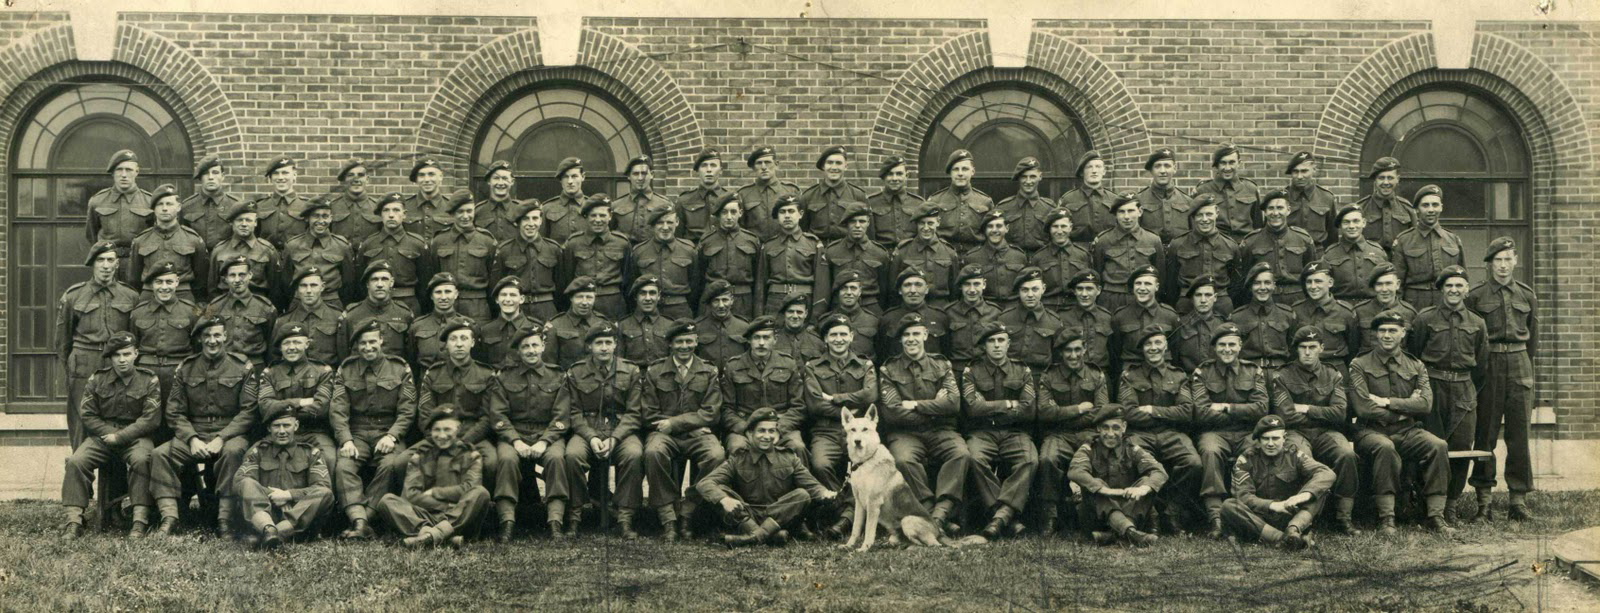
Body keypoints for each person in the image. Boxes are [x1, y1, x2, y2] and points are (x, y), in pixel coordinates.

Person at [150, 317, 258, 536]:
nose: (212, 340)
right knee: (160, 454)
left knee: (233, 452)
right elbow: (174, 411)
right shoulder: (186, 368)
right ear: (200, 338)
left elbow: (248, 411)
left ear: (226, 336)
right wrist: (191, 439)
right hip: (195, 432)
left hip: (229, 432)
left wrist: (222, 438)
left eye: (217, 335)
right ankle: (169, 518)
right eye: (207, 336)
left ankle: (224, 520)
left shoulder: (242, 366)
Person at [1351, 311, 1454, 534]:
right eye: (1382, 331)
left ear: (1403, 334)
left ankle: (1435, 516)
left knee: (1438, 446)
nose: (1387, 335)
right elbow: (1363, 407)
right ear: (1375, 335)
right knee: (1385, 447)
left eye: (1392, 330)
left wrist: (1388, 402)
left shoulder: (1416, 365)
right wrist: (1406, 408)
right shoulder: (1359, 364)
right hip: (1371, 431)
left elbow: (1425, 404)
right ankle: (1387, 518)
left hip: (1408, 431)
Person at [628, 321, 725, 541]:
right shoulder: (655, 371)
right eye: (679, 342)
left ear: (696, 342)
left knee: (716, 455)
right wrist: (685, 427)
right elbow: (649, 414)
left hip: (696, 434)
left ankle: (689, 510)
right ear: (670, 344)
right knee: (653, 452)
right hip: (665, 433)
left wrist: (677, 424)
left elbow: (711, 412)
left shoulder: (708, 371)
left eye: (689, 341)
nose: (684, 346)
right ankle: (668, 517)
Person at [1409, 266, 1489, 522]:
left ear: (1466, 290)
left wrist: (1466, 389)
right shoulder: (1425, 318)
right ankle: (1430, 505)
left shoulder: (1477, 323)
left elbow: (1482, 365)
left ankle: (1451, 505)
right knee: (1432, 446)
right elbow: (1414, 353)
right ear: (1442, 290)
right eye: (1449, 286)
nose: (1454, 290)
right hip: (1432, 386)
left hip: (1464, 390)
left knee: (1462, 446)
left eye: (1459, 286)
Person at [878, 313, 971, 532]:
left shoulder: (941, 365)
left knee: (961, 454)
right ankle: (930, 511)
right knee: (903, 459)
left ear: (925, 335)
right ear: (900, 339)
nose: (911, 339)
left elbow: (953, 404)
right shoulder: (888, 369)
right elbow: (892, 412)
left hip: (941, 431)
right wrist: (934, 406)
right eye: (906, 335)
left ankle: (940, 513)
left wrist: (913, 404)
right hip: (905, 433)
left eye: (916, 334)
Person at [61, 333, 160, 538]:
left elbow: (150, 419)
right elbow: (88, 414)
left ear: (136, 354)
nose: (122, 360)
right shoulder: (97, 379)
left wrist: (121, 436)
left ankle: (139, 521)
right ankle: (74, 520)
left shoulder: (149, 379)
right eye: (117, 355)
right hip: (103, 437)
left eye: (126, 354)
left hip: (136, 437)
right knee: (75, 462)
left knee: (143, 460)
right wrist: (110, 434)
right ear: (110, 358)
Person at [1466, 237, 1537, 521]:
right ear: (1490, 264)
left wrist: (1525, 370)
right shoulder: (1476, 296)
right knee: (1485, 434)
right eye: (1498, 260)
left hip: (1519, 363)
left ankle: (1518, 501)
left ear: (1515, 261)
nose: (1504, 265)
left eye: (1508, 259)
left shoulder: (1527, 295)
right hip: (1489, 363)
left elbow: (1533, 340)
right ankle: (1484, 502)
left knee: (1519, 435)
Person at [789, 314, 878, 538]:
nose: (839, 339)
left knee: (866, 466)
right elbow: (815, 405)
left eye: (843, 334)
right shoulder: (813, 367)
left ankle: (846, 518)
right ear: (825, 339)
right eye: (833, 335)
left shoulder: (864, 364)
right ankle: (846, 512)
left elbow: (871, 394)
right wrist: (848, 411)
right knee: (820, 464)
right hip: (826, 431)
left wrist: (836, 398)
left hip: (859, 432)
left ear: (851, 336)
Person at [696, 408, 836, 547]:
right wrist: (724, 499)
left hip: (780, 514)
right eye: (761, 431)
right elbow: (705, 483)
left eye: (771, 431)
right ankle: (772, 535)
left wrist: (825, 493)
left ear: (777, 434)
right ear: (750, 434)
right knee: (720, 490)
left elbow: (811, 484)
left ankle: (753, 538)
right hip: (748, 515)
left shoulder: (788, 457)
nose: (767, 436)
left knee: (802, 494)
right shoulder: (738, 458)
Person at [329, 321, 417, 539]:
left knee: (390, 464)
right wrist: (346, 440)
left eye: (372, 342)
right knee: (344, 466)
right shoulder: (346, 369)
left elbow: (407, 410)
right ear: (356, 346)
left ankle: (364, 521)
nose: (368, 347)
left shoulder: (399, 367)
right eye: (362, 343)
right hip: (357, 433)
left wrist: (392, 435)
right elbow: (338, 410)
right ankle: (359, 520)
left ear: (381, 341)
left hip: (388, 431)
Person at [554, 324, 643, 536]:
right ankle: (575, 516)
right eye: (599, 343)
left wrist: (615, 438)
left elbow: (634, 412)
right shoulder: (576, 372)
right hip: (587, 429)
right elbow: (574, 412)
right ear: (590, 346)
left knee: (634, 454)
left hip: (620, 430)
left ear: (615, 345)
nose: (604, 348)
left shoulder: (630, 370)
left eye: (608, 343)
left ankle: (624, 518)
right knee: (573, 455)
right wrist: (592, 437)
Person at [491, 328, 578, 541]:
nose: (531, 351)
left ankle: (555, 521)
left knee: (557, 458)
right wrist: (516, 441)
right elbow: (498, 415)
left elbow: (562, 416)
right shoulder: (504, 377)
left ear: (543, 346)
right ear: (518, 352)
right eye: (525, 347)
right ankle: (507, 521)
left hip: (547, 433)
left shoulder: (557, 376)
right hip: (514, 434)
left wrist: (544, 442)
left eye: (534, 345)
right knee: (507, 459)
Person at [1272, 327, 1361, 533]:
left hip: (1326, 432)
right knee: (1302, 459)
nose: (1307, 352)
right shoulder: (1283, 375)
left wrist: (1306, 408)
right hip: (1296, 432)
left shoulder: (1333, 374)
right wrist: (1323, 411)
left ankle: (1343, 517)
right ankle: (1303, 517)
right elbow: (1285, 415)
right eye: (1303, 347)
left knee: (1347, 454)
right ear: (1296, 350)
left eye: (1312, 347)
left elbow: (1340, 413)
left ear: (1322, 348)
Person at [1187, 322, 1270, 538]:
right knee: (1210, 452)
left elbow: (1261, 408)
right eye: (1222, 345)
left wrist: (1226, 407)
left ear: (1240, 346)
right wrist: (1244, 410)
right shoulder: (1202, 372)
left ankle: (1253, 511)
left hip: (1246, 432)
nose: (1227, 349)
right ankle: (1215, 518)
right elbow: (1201, 413)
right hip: (1214, 432)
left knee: (1258, 451)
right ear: (1214, 347)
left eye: (1232, 344)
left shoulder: (1253, 371)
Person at [57, 242, 141, 450]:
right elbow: (63, 342)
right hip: (85, 362)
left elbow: (135, 334)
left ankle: (112, 483)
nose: (105, 265)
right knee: (81, 420)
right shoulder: (74, 295)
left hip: (117, 363)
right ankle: (80, 475)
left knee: (116, 418)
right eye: (100, 260)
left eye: (110, 260)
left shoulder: (130, 296)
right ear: (92, 264)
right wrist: (71, 369)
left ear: (117, 264)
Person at [1119, 325, 1202, 534]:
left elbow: (1186, 412)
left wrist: (1152, 410)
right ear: (1142, 349)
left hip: (1172, 434)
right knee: (1133, 462)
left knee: (1193, 463)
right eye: (1148, 344)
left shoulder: (1179, 375)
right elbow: (1128, 413)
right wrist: (1167, 413)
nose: (1153, 348)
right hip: (1139, 434)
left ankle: (1172, 509)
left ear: (1166, 347)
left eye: (1158, 343)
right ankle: (1150, 512)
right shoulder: (1129, 376)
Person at [373, 407, 492, 549]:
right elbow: (411, 495)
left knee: (480, 493)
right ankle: (442, 538)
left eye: (447, 429)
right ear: (430, 432)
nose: (442, 435)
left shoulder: (471, 455)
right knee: (387, 501)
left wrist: (435, 493)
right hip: (425, 517)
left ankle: (427, 537)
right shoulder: (419, 456)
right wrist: (446, 503)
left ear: (459, 430)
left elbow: (469, 489)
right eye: (437, 430)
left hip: (459, 519)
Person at [962, 322, 1039, 539]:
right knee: (974, 459)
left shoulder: (1022, 370)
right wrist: (1008, 404)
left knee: (1030, 460)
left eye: (1001, 340)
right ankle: (1008, 518)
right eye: (991, 341)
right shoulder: (972, 371)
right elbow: (973, 409)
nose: (996, 345)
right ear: (984, 346)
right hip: (982, 432)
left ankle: (999, 517)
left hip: (1015, 432)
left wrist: (988, 406)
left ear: (1008, 344)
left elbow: (1028, 410)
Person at [1036, 331, 1115, 535]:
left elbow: (1101, 411)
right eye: (1068, 351)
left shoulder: (1096, 375)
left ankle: (1101, 513)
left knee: (1102, 458)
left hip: (1088, 433)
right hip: (1058, 435)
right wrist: (1078, 409)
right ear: (1061, 353)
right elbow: (1044, 412)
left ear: (1085, 350)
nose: (1073, 355)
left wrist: (1060, 413)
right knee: (1047, 459)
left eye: (1077, 349)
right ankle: (1050, 514)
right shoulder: (1049, 376)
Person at [417, 321, 509, 495]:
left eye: (464, 338)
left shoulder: (486, 374)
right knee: (401, 463)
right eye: (453, 339)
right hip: (438, 434)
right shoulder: (433, 374)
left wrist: (464, 442)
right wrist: (439, 439)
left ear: (472, 343)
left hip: (473, 435)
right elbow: (425, 414)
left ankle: (485, 507)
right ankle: (418, 504)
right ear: (446, 344)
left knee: (491, 463)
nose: (459, 344)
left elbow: (488, 417)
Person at [1221, 415, 1335, 550]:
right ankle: (1282, 538)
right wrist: (1273, 505)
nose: (1270, 443)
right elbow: (1243, 496)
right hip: (1260, 518)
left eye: (1275, 438)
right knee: (1229, 505)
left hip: (1291, 514)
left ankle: (1293, 530)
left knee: (1320, 491)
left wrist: (1302, 496)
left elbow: (1326, 473)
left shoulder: (1294, 455)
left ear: (1284, 438)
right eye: (1265, 438)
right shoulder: (1246, 459)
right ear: (1258, 440)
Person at [233, 407, 335, 549]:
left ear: (296, 426)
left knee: (325, 493)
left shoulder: (311, 452)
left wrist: (288, 495)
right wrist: (274, 496)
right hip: (266, 512)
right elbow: (239, 481)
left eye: (286, 425)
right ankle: (268, 529)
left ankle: (275, 534)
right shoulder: (258, 451)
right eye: (276, 426)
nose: (281, 431)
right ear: (269, 428)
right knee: (246, 482)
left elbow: (322, 486)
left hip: (298, 516)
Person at [1067, 412, 1165, 547]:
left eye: (1116, 428)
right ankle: (1132, 534)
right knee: (1094, 485)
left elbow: (1159, 471)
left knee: (1147, 481)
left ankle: (1116, 535)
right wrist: (1106, 491)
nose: (1110, 433)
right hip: (1097, 516)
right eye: (1105, 428)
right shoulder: (1089, 449)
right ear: (1098, 429)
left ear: (1124, 427)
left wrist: (1143, 489)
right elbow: (1076, 471)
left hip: (1130, 511)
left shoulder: (1132, 449)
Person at [719, 317, 806, 457]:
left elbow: (798, 406)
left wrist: (778, 429)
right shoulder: (733, 366)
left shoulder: (788, 364)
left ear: (775, 339)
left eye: (766, 337)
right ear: (748, 340)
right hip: (746, 426)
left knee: (797, 446)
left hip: (780, 425)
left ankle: (801, 479)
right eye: (756, 338)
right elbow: (726, 409)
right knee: (737, 447)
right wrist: (746, 429)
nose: (761, 343)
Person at [129, 184, 211, 303]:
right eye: (160, 204)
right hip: (149, 296)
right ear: (153, 208)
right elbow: (134, 278)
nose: (164, 208)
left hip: (183, 295)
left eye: (169, 204)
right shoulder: (141, 240)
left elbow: (201, 277)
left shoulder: (193, 239)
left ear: (178, 207)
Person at [429, 189, 499, 319]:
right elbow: (434, 273)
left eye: (469, 211)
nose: (465, 216)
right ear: (453, 214)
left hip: (478, 307)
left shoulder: (486, 240)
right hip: (447, 305)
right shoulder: (439, 241)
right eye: (460, 212)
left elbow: (493, 280)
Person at [1392, 185, 1465, 309]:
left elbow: (1462, 276)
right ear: (1417, 210)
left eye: (1435, 205)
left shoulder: (1453, 239)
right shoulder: (1404, 240)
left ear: (1441, 207)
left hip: (1446, 302)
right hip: (1414, 303)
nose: (1431, 210)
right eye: (1425, 205)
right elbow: (1397, 283)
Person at [561, 194, 633, 319]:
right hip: (582, 302)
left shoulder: (622, 243)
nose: (598, 220)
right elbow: (567, 278)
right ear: (586, 217)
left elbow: (628, 279)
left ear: (610, 216)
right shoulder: (574, 243)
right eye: (593, 215)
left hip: (613, 303)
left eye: (602, 215)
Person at [1165, 194, 1239, 315]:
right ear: (1193, 217)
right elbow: (1171, 283)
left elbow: (1236, 284)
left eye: (1209, 214)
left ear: (1217, 213)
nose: (1205, 219)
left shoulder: (1230, 245)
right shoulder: (1178, 245)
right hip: (1187, 304)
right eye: (1199, 215)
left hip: (1221, 305)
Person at [1238, 190, 1319, 301]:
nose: (1275, 213)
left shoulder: (1303, 239)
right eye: (1271, 208)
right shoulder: (1251, 241)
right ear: (1265, 212)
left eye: (1280, 208)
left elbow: (1311, 274)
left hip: (1297, 299)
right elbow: (1245, 278)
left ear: (1288, 210)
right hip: (1264, 298)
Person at [490, 201, 564, 321]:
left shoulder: (553, 249)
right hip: (516, 309)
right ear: (518, 222)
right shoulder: (505, 250)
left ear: (540, 221)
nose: (531, 224)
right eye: (525, 219)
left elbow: (561, 286)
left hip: (546, 309)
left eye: (535, 218)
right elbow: (495, 287)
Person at [86, 150, 154, 279]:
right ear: (112, 172)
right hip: (108, 264)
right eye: (119, 170)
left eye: (128, 170)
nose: (124, 175)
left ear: (137, 172)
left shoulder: (149, 202)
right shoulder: (98, 201)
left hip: (139, 264)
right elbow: (92, 235)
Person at [356, 193, 429, 313]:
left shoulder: (417, 244)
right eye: (386, 210)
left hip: (408, 303)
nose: (391, 215)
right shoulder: (368, 244)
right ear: (380, 215)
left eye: (396, 210)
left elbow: (425, 281)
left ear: (404, 214)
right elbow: (360, 282)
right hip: (375, 305)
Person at [1092, 195, 1165, 313]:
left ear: (1140, 212)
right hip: (1112, 298)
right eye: (1121, 212)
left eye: (1131, 211)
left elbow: (1160, 275)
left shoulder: (1153, 240)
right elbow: (1097, 271)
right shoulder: (1103, 241)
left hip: (1144, 297)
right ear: (1115, 215)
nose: (1126, 217)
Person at [280, 198, 355, 308]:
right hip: (300, 304)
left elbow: (349, 282)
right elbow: (286, 282)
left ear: (331, 219)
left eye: (325, 216)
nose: (321, 221)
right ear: (307, 218)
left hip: (331, 303)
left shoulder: (341, 246)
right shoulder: (293, 245)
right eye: (316, 216)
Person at [758, 195, 825, 317]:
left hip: (804, 301)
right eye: (782, 212)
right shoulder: (768, 246)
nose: (787, 215)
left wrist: (816, 317)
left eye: (791, 211)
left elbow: (821, 284)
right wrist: (759, 315)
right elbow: (761, 284)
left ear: (800, 214)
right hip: (775, 302)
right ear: (777, 217)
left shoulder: (813, 244)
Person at [696, 193, 761, 318]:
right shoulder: (707, 241)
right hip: (714, 300)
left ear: (740, 213)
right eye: (724, 212)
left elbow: (758, 277)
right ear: (719, 214)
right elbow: (699, 276)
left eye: (733, 212)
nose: (729, 217)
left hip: (743, 300)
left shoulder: (751, 240)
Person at [203, 256, 276, 365]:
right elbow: (205, 339)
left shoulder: (265, 307)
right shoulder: (215, 307)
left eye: (242, 275)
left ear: (250, 275)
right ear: (225, 278)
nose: (237, 280)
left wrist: (269, 368)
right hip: (223, 366)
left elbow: (272, 344)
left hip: (254, 365)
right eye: (232, 275)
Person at [339, 261, 413, 366]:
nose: (379, 284)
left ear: (391, 282)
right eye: (374, 280)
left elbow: (411, 354)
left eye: (384, 279)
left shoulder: (404, 314)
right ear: (367, 284)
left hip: (394, 377)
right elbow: (343, 354)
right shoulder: (352, 315)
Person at [631, 207, 698, 320]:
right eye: (660, 223)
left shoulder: (688, 250)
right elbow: (632, 283)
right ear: (653, 225)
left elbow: (696, 285)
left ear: (677, 222)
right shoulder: (639, 251)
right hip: (648, 310)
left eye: (669, 222)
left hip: (679, 310)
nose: (665, 227)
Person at [889, 205, 960, 309]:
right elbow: (893, 288)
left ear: (938, 222)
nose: (926, 228)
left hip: (942, 308)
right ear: (917, 224)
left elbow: (955, 289)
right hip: (910, 308)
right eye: (922, 223)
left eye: (930, 223)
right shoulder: (903, 252)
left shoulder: (949, 252)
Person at [1291, 262, 1361, 366]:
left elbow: (1354, 348)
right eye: (1309, 282)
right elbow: (1291, 346)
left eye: (1318, 281)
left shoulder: (1345, 312)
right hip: (1303, 370)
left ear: (1330, 282)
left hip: (1335, 369)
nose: (1313, 286)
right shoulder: (1296, 310)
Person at [823, 206, 891, 313]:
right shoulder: (832, 251)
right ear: (846, 224)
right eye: (853, 222)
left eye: (862, 221)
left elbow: (885, 289)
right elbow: (826, 286)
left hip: (871, 306)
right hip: (840, 307)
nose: (858, 226)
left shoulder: (879, 253)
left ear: (868, 223)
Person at [209, 201, 281, 301]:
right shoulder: (219, 250)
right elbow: (212, 288)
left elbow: (275, 289)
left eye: (248, 220)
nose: (244, 224)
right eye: (239, 220)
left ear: (255, 222)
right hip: (226, 306)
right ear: (231, 222)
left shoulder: (267, 250)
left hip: (258, 307)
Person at [996, 267, 1064, 371]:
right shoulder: (1005, 318)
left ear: (1043, 289)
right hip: (1010, 377)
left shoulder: (1054, 322)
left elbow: (1058, 361)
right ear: (1019, 291)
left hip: (1040, 378)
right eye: (1025, 290)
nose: (1030, 295)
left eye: (1035, 289)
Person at [1190, 144, 1261, 242]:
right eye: (1223, 163)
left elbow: (1258, 225)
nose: (1227, 168)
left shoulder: (1251, 188)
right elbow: (1195, 225)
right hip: (1216, 246)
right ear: (1216, 165)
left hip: (1246, 245)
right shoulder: (1203, 190)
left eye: (1232, 162)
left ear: (1239, 163)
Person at [799, 145, 870, 242]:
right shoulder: (808, 196)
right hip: (816, 251)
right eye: (830, 163)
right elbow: (802, 231)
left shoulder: (858, 195)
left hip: (847, 252)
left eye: (838, 163)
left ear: (846, 166)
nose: (834, 167)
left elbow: (868, 233)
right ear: (823, 166)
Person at [273, 269, 345, 364]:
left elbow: (344, 355)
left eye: (313, 285)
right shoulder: (284, 321)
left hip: (329, 375)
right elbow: (274, 357)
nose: (309, 291)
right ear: (297, 289)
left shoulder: (337, 317)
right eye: (303, 286)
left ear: (322, 287)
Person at [925, 149, 992, 250]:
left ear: (972, 171)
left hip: (975, 258)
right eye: (956, 169)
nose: (960, 173)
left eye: (965, 169)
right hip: (944, 256)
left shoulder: (985, 201)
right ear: (950, 172)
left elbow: (990, 234)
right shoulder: (935, 200)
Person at [408, 273, 477, 371]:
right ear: (431, 296)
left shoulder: (469, 325)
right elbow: (412, 362)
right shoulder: (418, 326)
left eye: (448, 291)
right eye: (438, 292)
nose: (443, 297)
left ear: (456, 294)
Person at [1321, 205, 1390, 302]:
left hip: (1372, 308)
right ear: (1340, 226)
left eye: (1356, 221)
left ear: (1364, 223)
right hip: (1342, 308)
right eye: (1346, 222)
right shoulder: (1330, 254)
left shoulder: (1377, 251)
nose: (1352, 226)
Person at [943, 265, 1002, 373]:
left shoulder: (995, 312)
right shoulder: (949, 313)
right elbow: (944, 347)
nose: (972, 290)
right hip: (957, 371)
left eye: (976, 284)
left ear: (984, 284)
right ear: (960, 286)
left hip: (987, 372)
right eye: (967, 284)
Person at [1030, 209, 1092, 310]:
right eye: (1055, 226)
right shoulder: (1039, 257)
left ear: (1070, 228)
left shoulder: (1083, 255)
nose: (1059, 231)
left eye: (1063, 226)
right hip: (1048, 308)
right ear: (1049, 229)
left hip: (1076, 308)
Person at [962, 211, 1028, 305]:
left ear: (1007, 228)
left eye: (999, 226)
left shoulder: (1019, 256)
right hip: (986, 311)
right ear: (985, 230)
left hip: (1014, 309)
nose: (994, 230)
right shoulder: (972, 258)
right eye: (990, 226)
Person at [996, 156, 1056, 253]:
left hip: (1042, 262)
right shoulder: (1004, 207)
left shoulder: (1050, 208)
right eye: (1024, 176)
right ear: (1018, 178)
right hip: (1012, 262)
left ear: (1040, 177)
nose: (1028, 181)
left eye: (1032, 176)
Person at [477, 277, 541, 367]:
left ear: (522, 299)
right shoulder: (486, 330)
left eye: (513, 295)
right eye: (503, 295)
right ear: (496, 299)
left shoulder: (534, 328)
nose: (507, 299)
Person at [182, 156, 242, 249]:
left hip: (226, 260)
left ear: (222, 176)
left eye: (215, 173)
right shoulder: (187, 206)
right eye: (206, 173)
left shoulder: (236, 205)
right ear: (200, 178)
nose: (210, 177)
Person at [1135, 148, 1193, 244]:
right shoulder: (1139, 200)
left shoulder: (1188, 201)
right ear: (1151, 170)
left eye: (1167, 166)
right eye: (1157, 166)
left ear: (1174, 168)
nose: (1162, 171)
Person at [1354, 157, 1413, 251]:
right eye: (1381, 178)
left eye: (1390, 178)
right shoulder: (1361, 207)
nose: (1386, 182)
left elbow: (1414, 241)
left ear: (1397, 179)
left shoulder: (1407, 208)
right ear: (1375, 180)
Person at [615, 155, 677, 244]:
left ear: (652, 175)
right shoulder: (617, 205)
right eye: (635, 174)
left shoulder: (665, 203)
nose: (640, 178)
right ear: (629, 176)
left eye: (644, 173)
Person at [867, 156, 926, 248]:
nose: (894, 178)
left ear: (907, 175)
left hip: (910, 256)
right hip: (881, 255)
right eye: (890, 174)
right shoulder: (871, 202)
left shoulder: (918, 203)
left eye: (899, 174)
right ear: (883, 177)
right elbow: (869, 237)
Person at [1172, 276, 1227, 373]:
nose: (1203, 300)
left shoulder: (1223, 324)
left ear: (1215, 298)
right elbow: (1175, 359)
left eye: (1208, 295)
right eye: (1198, 295)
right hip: (1188, 379)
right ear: (1192, 298)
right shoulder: (1181, 325)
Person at [254, 157, 312, 249]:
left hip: (297, 259)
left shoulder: (307, 206)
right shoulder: (260, 206)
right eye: (276, 173)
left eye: (285, 173)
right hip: (267, 260)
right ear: (270, 178)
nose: (280, 177)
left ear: (294, 176)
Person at [1281, 152, 1337, 246]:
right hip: (1289, 253)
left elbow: (1333, 235)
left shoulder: (1326, 198)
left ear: (1314, 170)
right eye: (1295, 171)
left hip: (1318, 254)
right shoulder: (1281, 197)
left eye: (1304, 171)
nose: (1299, 176)